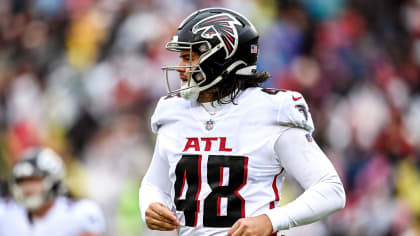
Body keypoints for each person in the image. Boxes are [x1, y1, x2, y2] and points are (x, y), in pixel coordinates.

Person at [139, 7, 345, 236]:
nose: (180, 68)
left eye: (189, 58)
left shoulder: (271, 111)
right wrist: (150, 204)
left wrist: (271, 220)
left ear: (220, 59)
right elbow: (154, 185)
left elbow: (331, 190)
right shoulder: (173, 111)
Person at [0, 147, 106, 236]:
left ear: (54, 180)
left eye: (35, 180)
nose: (28, 188)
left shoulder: (80, 213)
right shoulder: (6, 213)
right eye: (22, 181)